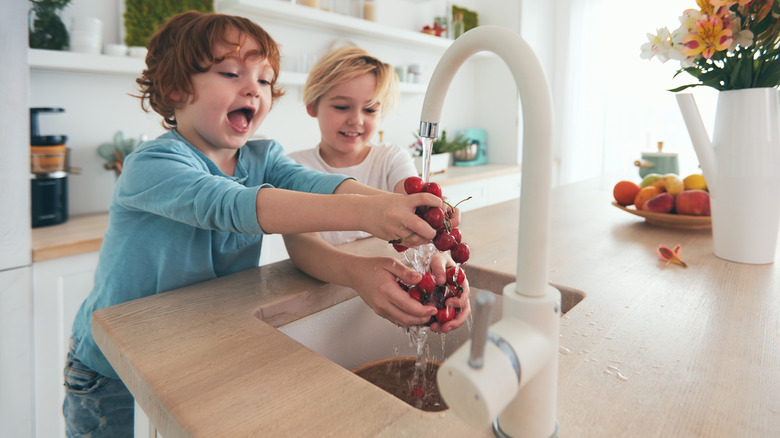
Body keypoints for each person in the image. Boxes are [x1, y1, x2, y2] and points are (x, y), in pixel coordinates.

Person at [63, 12, 446, 437]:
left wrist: (403, 206)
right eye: (230, 72)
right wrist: (369, 214)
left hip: (195, 347)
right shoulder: (152, 164)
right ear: (175, 89)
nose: (254, 89)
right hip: (110, 359)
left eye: (264, 80)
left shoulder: (263, 157)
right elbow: (231, 205)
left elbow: (315, 183)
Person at [287, 46, 470, 327]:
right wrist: (356, 273)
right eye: (341, 106)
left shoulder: (390, 158)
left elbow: (415, 205)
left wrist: (441, 257)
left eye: (370, 109)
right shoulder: (293, 168)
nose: (357, 119)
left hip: (383, 290)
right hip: (320, 303)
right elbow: (302, 246)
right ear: (312, 105)